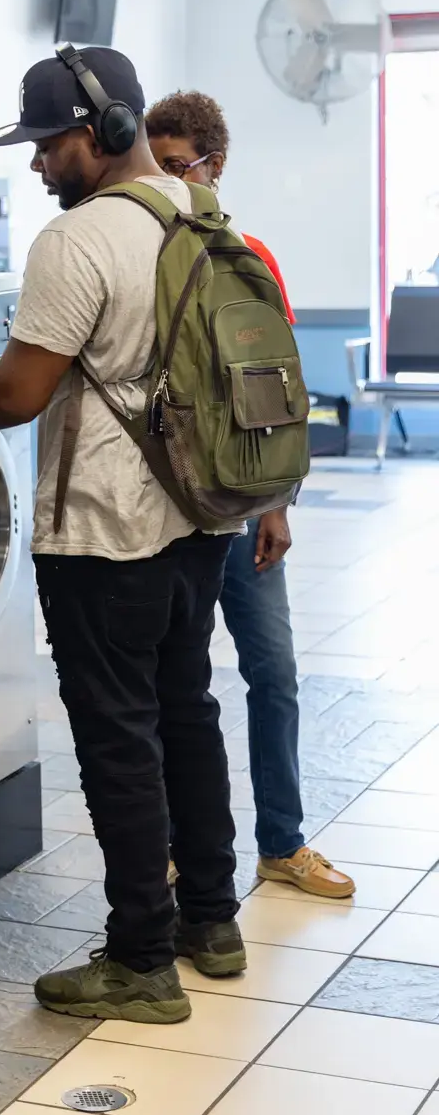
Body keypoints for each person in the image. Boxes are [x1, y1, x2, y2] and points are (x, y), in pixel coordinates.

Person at [0, 46, 243, 1025]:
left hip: (106, 529)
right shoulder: (201, 213)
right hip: (199, 515)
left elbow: (16, 393)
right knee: (186, 713)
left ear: (103, 131)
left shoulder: (78, 239)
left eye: (50, 143)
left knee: (117, 737)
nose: (39, 162)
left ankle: (140, 959)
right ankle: (210, 922)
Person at [146, 90, 355, 900]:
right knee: (178, 686)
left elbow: (275, 393)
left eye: (179, 167)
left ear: (215, 166)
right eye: (156, 168)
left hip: (241, 508)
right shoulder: (140, 254)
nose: (169, 183)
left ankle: (283, 843)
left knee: (275, 671)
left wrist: (277, 505)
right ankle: (177, 848)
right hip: (168, 511)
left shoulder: (247, 258)